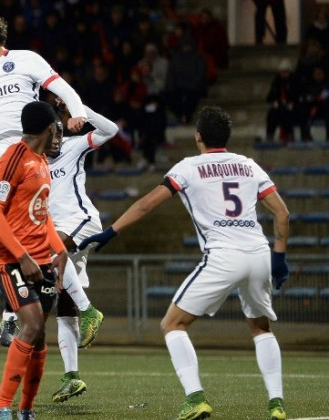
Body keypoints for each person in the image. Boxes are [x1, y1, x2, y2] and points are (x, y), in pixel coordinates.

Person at [80, 106, 290, 420]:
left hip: (223, 255)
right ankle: (276, 405)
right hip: (258, 252)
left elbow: (147, 204)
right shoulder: (249, 166)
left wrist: (110, 231)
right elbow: (282, 214)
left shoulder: (189, 167)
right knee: (260, 328)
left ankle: (195, 399)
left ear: (198, 137)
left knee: (172, 324)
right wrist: (280, 257)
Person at [0, 100, 118, 403]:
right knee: (64, 306)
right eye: (52, 134)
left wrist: (81, 109)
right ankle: (72, 377)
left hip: (81, 222)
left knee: (51, 260)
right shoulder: (30, 160)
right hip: (52, 230)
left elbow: (111, 130)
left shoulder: (75, 146)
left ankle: (90, 310)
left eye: (59, 134)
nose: (55, 141)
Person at [0, 7, 87, 238]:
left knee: (28, 227)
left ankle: (47, 267)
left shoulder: (26, 59)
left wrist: (78, 113)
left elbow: (62, 88)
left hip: (23, 149)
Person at [0, 101, 68, 420]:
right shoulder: (14, 157)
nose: (58, 133)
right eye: (56, 128)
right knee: (31, 324)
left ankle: (26, 409)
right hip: (11, 259)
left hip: (40, 259)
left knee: (40, 335)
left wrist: (59, 250)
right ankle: (2, 407)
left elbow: (41, 215)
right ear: (48, 128)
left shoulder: (42, 161)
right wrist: (23, 256)